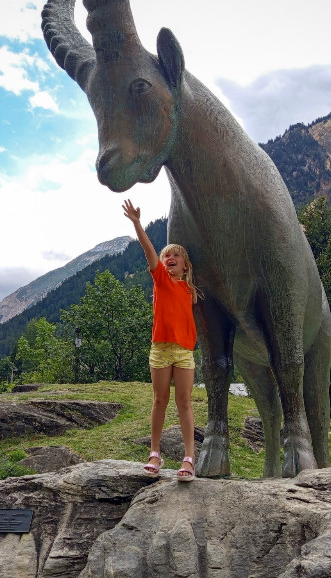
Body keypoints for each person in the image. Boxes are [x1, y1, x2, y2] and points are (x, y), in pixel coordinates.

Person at [123, 199, 199, 482]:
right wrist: (137, 224)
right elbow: (149, 250)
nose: (169, 258)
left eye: (175, 256)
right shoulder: (161, 281)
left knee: (185, 402)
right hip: (160, 350)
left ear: (185, 265)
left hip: (184, 353)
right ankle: (154, 453)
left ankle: (189, 459)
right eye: (166, 256)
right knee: (159, 401)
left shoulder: (190, 291)